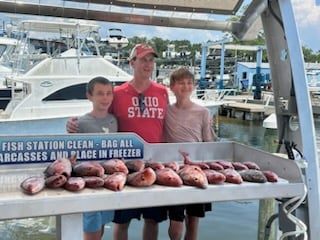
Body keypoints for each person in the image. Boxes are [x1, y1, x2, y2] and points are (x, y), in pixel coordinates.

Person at [66, 43, 169, 240]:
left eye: (151, 60)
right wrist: (73, 124)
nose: (148, 64)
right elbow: (100, 117)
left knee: (152, 220)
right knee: (121, 222)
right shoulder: (118, 94)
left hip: (154, 163)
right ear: (132, 63)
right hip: (123, 166)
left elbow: (168, 124)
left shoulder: (162, 91)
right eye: (143, 60)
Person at [163, 67, 217, 240]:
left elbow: (209, 142)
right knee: (176, 223)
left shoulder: (203, 112)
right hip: (174, 170)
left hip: (197, 169)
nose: (185, 87)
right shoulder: (165, 111)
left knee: (193, 222)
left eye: (189, 83)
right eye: (180, 83)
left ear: (194, 86)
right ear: (172, 86)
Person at [76, 76, 118, 240]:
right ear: (89, 96)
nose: (105, 98)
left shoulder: (114, 120)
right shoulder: (81, 123)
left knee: (101, 228)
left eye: (108, 93)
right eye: (100, 94)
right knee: (91, 231)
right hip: (89, 183)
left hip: (107, 181)